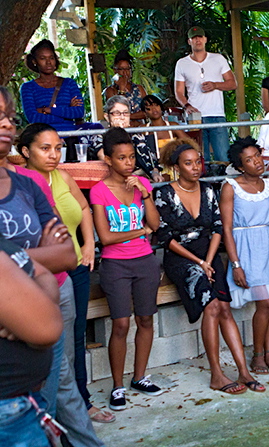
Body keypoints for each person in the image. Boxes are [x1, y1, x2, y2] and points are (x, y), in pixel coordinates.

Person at [0, 86, 103, 446]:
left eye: (8, 116)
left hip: (55, 295)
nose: (4, 124)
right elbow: (50, 253)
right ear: (27, 151)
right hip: (8, 392)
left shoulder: (26, 184)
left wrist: (19, 293)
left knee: (61, 380)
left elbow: (64, 254)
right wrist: (31, 267)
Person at [18, 123, 116, 424]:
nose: (53, 155)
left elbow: (84, 209)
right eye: (45, 148)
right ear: (25, 151)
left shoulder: (63, 176)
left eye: (58, 148)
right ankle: (43, 412)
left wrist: (88, 245)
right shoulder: (19, 181)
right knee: (42, 343)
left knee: (74, 339)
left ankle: (81, 404)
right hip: (38, 276)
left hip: (74, 267)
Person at [155, 139, 265, 393]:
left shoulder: (208, 190)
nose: (195, 168)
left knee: (225, 307)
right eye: (188, 164)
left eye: (198, 162)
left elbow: (217, 228)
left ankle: (243, 371)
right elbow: (165, 237)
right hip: (182, 257)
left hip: (209, 252)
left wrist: (209, 259)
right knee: (213, 306)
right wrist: (199, 262)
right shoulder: (164, 193)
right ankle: (216, 374)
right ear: (176, 167)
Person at [90, 127, 163, 412]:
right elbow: (105, 237)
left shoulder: (141, 184)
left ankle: (140, 377)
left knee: (146, 320)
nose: (129, 163)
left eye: (131, 157)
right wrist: (138, 231)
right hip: (115, 264)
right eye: (121, 158)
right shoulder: (98, 191)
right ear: (108, 159)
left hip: (145, 261)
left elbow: (155, 226)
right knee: (120, 324)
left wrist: (145, 195)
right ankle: (117, 386)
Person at [221, 137, 269, 375]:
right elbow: (226, 228)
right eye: (249, 160)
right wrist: (236, 264)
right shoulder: (231, 187)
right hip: (246, 248)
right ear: (240, 166)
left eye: (257, 156)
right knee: (265, 302)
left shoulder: (268, 186)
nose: (257, 162)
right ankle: (258, 355)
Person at [0, 236, 62, 447]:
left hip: (21, 403)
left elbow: (46, 275)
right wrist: (30, 317)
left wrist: (27, 312)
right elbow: (46, 329)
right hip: (7, 413)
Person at [175, 25, 237, 162]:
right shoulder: (182, 63)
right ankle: (204, 183)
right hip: (196, 117)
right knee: (200, 158)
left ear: (205, 39)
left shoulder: (218, 59)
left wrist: (215, 85)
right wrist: (186, 105)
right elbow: (178, 92)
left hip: (217, 114)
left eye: (200, 37)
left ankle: (223, 183)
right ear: (189, 41)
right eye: (194, 38)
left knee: (223, 157)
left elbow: (233, 83)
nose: (198, 40)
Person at [20, 39, 84, 132]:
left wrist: (47, 110)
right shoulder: (28, 88)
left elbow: (79, 112)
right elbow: (33, 118)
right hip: (43, 138)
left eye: (51, 58)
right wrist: (66, 113)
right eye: (43, 58)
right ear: (34, 61)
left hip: (70, 137)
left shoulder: (69, 83)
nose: (48, 62)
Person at [101, 95, 162, 182]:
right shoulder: (101, 136)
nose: (122, 117)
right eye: (117, 113)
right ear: (107, 117)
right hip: (115, 179)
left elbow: (151, 160)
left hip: (140, 179)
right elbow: (103, 158)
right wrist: (117, 132)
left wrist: (155, 173)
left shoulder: (137, 136)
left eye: (125, 113)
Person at [103, 50, 148, 127]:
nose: (125, 72)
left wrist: (127, 116)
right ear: (115, 71)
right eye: (121, 69)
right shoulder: (110, 91)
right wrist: (122, 89)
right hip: (121, 129)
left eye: (127, 69)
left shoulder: (139, 88)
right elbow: (117, 114)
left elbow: (146, 112)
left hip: (141, 128)